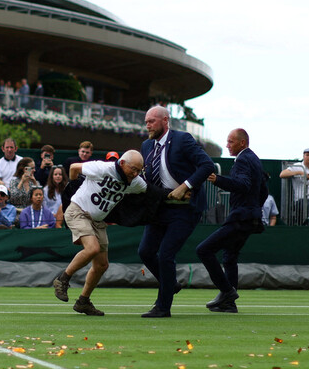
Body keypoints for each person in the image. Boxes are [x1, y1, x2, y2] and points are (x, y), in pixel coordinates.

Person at [136, 106, 214, 318]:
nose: (148, 125)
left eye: (152, 121)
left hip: (185, 210)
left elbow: (207, 165)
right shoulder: (146, 146)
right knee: (145, 252)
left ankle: (163, 307)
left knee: (166, 255)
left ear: (165, 120)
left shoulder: (182, 139)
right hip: (160, 207)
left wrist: (185, 186)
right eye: (146, 121)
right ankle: (170, 283)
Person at [53, 149, 146, 316]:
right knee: (92, 248)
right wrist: (73, 187)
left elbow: (149, 190)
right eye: (133, 169)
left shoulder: (135, 182)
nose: (136, 173)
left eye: (139, 170)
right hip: (78, 211)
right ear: (122, 163)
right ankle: (63, 279)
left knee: (102, 265)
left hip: (97, 220)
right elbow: (74, 167)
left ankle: (83, 301)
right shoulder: (102, 168)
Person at [195, 129, 265, 313]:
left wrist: (217, 179)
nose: (227, 145)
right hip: (250, 217)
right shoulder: (254, 159)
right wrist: (254, 209)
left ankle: (227, 292)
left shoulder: (243, 159)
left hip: (240, 217)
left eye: (230, 142)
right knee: (229, 257)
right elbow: (263, 190)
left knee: (203, 249)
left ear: (242, 143)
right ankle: (229, 304)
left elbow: (243, 185)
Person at [279, 148, 309, 225]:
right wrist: (300, 172)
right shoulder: (298, 166)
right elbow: (282, 174)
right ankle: (307, 227)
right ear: (303, 156)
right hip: (301, 198)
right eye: (307, 155)